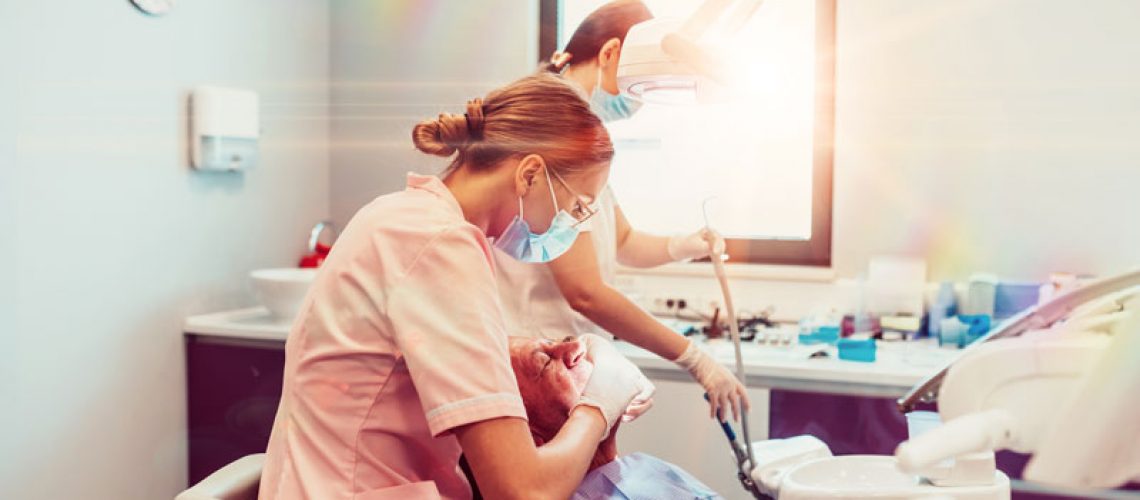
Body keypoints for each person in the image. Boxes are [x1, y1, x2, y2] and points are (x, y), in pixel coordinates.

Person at [259, 73, 653, 500]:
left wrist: (531, 348)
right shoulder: (440, 244)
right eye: (577, 206)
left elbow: (398, 353)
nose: (572, 226)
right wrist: (600, 401)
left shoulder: (400, 214)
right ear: (530, 175)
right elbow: (522, 490)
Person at [496, 0, 750, 421]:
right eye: (637, 84)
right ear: (611, 54)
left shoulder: (584, 141)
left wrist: (684, 245)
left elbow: (623, 242)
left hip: (569, 363)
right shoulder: (556, 133)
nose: (638, 101)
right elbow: (586, 291)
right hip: (538, 363)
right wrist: (695, 358)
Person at [507, 335, 722, 500]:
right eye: (545, 362)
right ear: (533, 441)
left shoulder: (642, 468)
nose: (575, 347)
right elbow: (585, 294)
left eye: (564, 339)